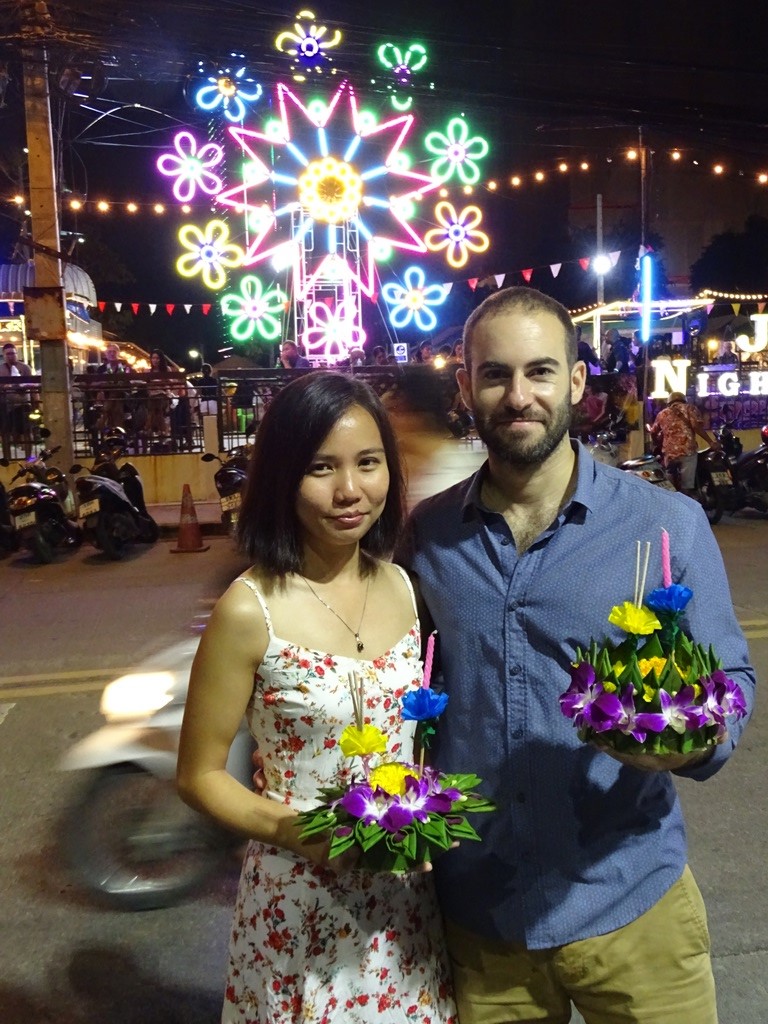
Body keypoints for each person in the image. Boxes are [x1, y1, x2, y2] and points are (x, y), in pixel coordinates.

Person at [395, 286, 754, 1024]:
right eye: (494, 374)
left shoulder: (665, 526)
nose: (517, 395)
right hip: (484, 921)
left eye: (541, 372)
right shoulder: (427, 536)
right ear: (465, 387)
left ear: (579, 383)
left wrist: (689, 745)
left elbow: (731, 681)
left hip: (631, 902)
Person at [177, 372, 457, 1024]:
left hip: (400, 908)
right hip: (299, 907)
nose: (349, 491)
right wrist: (294, 831)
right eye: (321, 468)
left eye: (368, 463)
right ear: (282, 477)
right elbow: (197, 776)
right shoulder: (250, 611)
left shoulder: (406, 589)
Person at [650, 391, 721, 495]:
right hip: (687, 450)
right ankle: (687, 500)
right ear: (684, 400)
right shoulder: (690, 409)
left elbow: (653, 432)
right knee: (687, 484)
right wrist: (710, 442)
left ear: (669, 402)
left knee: (670, 477)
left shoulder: (662, 414)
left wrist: (656, 443)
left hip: (669, 453)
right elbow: (696, 427)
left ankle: (672, 499)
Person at [0, 343, 37, 450]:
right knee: (5, 431)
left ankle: (28, 457)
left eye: (13, 353)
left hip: (22, 403)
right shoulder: (1, 369)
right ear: (4, 355)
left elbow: (32, 384)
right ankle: (7, 458)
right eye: (8, 354)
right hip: (5, 404)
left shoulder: (24, 368)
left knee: (26, 430)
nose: (11, 356)